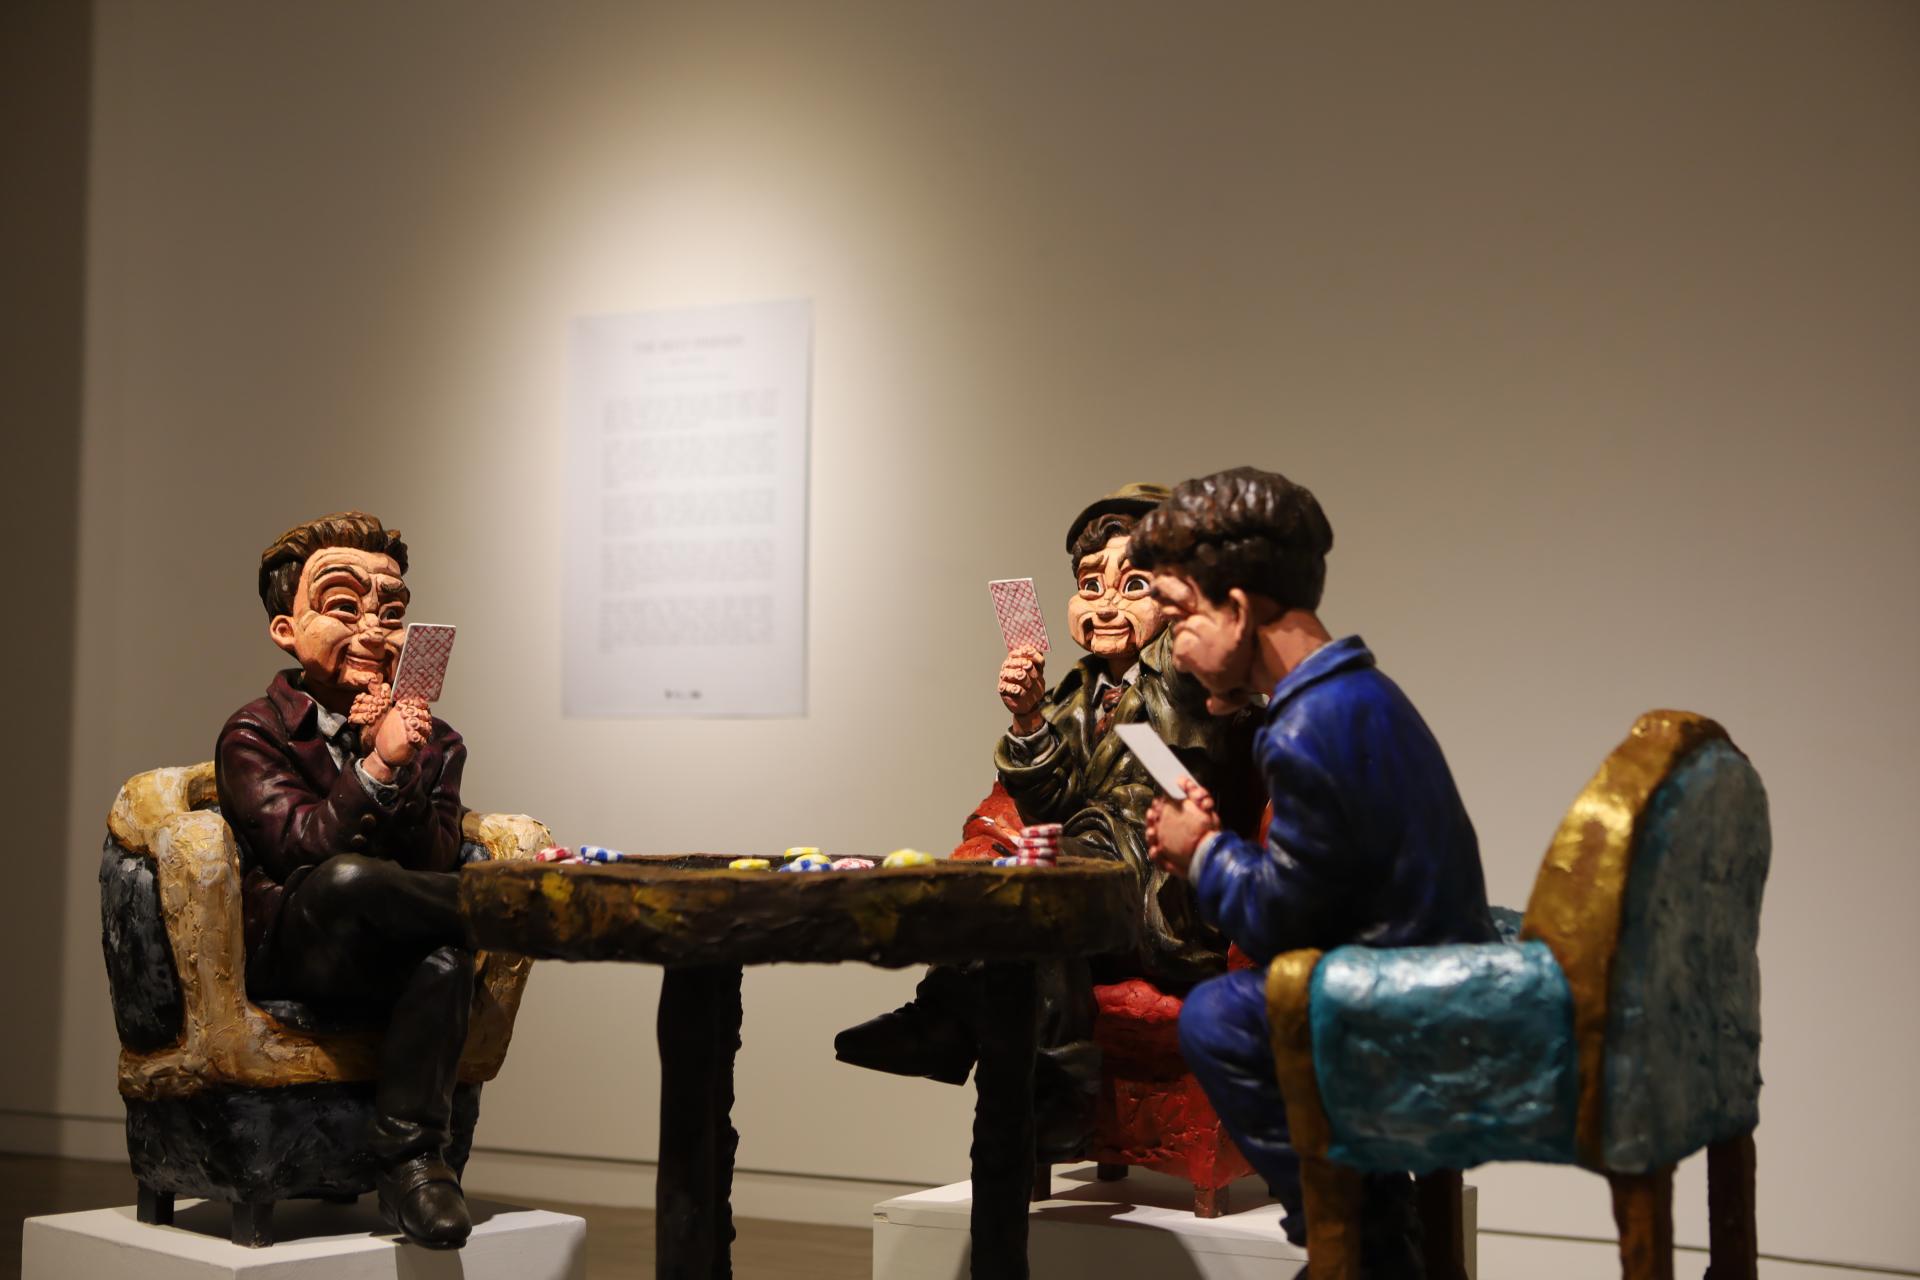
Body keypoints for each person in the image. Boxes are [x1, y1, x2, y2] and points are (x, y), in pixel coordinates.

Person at [1132, 467, 1496, 1273]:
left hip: (1408, 999)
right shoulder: (1353, 696)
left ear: (1237, 610)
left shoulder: (1309, 728)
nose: (1173, 647)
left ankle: (1351, 1232)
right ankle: (1369, 1215)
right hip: (1437, 972)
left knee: (1219, 1018)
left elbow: (1285, 922)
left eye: (1180, 616)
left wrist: (1201, 852)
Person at [835, 483, 1258, 1159]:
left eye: (1135, 584)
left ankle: (1054, 1082)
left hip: (1160, 884)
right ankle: (948, 1017)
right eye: (1091, 585)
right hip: (1089, 857)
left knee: (1049, 884)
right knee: (1010, 878)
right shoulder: (1076, 692)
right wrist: (1030, 716)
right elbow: (1049, 800)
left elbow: (1210, 707)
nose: (1107, 604)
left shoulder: (1188, 671)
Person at [215, 511, 477, 1249]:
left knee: (447, 958)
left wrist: (405, 761)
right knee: (346, 879)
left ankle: (413, 1166)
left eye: (390, 614)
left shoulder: (437, 741)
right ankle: (477, 910)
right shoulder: (254, 733)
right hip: (299, 945)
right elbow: (299, 849)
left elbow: (435, 856)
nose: (372, 630)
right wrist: (377, 767)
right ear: (286, 629)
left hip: (394, 946)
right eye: (342, 606)